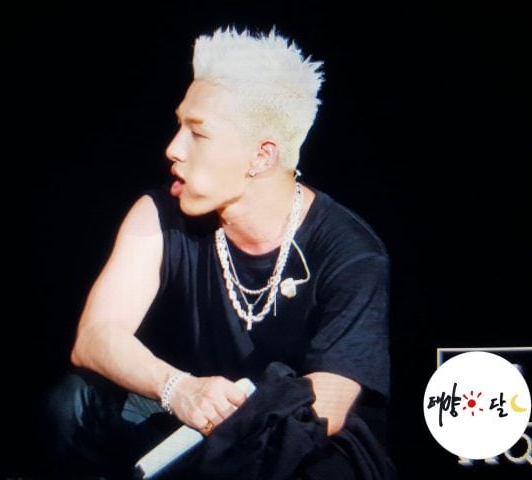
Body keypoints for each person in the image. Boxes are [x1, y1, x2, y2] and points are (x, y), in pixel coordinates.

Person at [41, 26, 395, 480]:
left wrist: (233, 430)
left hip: (287, 443)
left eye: (198, 133)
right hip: (192, 419)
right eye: (179, 126)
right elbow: (95, 336)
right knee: (76, 401)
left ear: (261, 157)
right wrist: (177, 389)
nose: (173, 148)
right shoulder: (160, 213)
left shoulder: (350, 250)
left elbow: (328, 404)